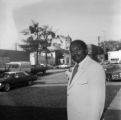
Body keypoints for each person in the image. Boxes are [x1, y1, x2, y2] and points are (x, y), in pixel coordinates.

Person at [66, 40, 106, 120]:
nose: (75, 53)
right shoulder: (75, 67)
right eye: (72, 51)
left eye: (78, 50)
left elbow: (97, 104)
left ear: (86, 51)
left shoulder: (95, 68)